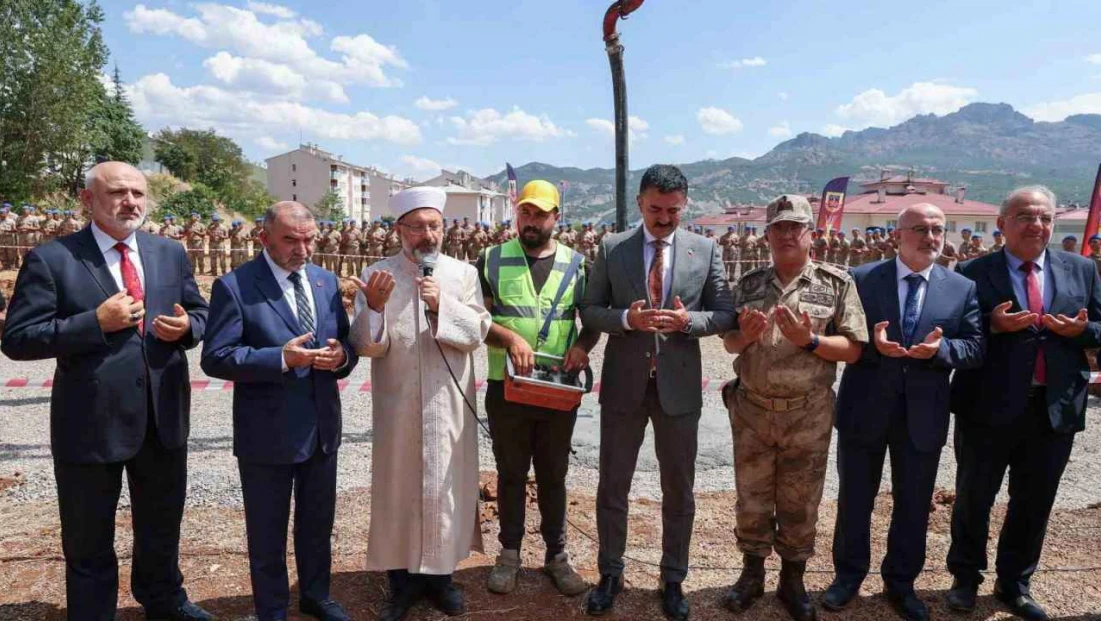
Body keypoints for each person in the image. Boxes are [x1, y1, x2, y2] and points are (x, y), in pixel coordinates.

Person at [1, 162, 211, 621]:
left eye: (138, 192)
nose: (131, 202)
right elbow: (17, 339)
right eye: (118, 192)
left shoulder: (169, 252)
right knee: (87, 533)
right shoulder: (53, 259)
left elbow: (201, 313)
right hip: (91, 423)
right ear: (87, 200)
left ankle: (164, 598)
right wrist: (93, 323)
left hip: (162, 416)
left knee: (161, 523)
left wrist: (188, 327)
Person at [580, 164, 736, 621]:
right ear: (639, 204)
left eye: (672, 210)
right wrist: (627, 320)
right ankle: (610, 574)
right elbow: (589, 310)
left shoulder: (705, 250)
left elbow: (725, 313)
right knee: (612, 485)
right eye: (655, 209)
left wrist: (690, 322)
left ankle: (673, 579)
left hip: (679, 390)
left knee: (679, 490)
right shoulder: (612, 248)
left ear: (684, 204)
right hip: (625, 387)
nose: (664, 218)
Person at [946, 186, 1101, 620]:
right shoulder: (971, 271)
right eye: (1025, 217)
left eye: (1045, 218)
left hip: (1054, 407)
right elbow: (956, 333)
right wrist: (992, 325)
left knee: (1034, 500)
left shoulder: (1082, 269)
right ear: (1002, 224)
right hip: (987, 405)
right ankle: (964, 579)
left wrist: (1080, 333)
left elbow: (1100, 326)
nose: (1037, 225)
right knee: (975, 496)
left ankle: (1014, 583)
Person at [825, 204, 984, 621]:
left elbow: (974, 346)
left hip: (923, 415)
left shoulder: (960, 287)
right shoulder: (860, 279)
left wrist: (941, 351)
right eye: (920, 229)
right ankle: (847, 577)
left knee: (913, 504)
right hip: (865, 408)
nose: (930, 237)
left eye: (938, 229)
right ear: (899, 235)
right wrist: (869, 345)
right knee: (855, 500)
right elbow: (838, 336)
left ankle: (901, 583)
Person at [201, 201, 358, 621]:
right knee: (267, 532)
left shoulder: (325, 282)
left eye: (309, 240)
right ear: (264, 237)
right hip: (267, 434)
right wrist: (282, 359)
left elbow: (346, 346)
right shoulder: (235, 286)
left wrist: (342, 355)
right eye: (291, 240)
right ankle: (271, 608)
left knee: (317, 524)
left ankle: (316, 595)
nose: (302, 249)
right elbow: (216, 357)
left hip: (322, 428)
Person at [720, 194, 867, 621]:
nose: (786, 234)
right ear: (766, 235)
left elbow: (855, 349)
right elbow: (729, 342)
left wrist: (812, 341)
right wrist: (744, 337)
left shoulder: (836, 283)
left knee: (800, 501)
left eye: (794, 227)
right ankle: (751, 575)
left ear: (811, 234)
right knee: (752, 498)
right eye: (778, 227)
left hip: (808, 414)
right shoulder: (748, 285)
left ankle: (793, 578)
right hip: (752, 411)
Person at [348, 186, 492, 621]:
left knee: (444, 489)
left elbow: (476, 333)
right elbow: (367, 348)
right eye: (418, 227)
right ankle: (400, 585)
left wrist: (441, 304)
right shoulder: (378, 274)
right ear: (400, 230)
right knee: (399, 489)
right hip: (398, 405)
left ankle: (442, 580)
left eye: (435, 226)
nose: (428, 235)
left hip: (448, 404)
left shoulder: (462, 275)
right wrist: (373, 309)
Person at [478, 181, 597, 597]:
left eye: (540, 214)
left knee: (553, 475)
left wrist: (582, 346)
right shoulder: (490, 259)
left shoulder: (578, 265)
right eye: (525, 213)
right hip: (506, 388)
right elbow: (478, 319)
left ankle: (556, 558)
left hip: (556, 390)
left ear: (555, 218)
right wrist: (510, 339)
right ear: (517, 213)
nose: (531, 221)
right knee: (511, 473)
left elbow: (592, 320)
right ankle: (508, 556)